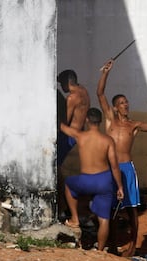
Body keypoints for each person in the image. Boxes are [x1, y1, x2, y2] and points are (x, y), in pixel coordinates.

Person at [97, 59, 147, 256]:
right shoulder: (110, 119)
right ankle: (114, 244)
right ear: (115, 108)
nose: (126, 105)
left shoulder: (133, 125)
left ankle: (133, 246)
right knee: (111, 208)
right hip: (109, 168)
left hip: (126, 169)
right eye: (122, 103)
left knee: (132, 209)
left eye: (127, 102)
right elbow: (100, 94)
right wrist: (106, 72)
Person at [60, 108, 124, 251]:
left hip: (86, 181)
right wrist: (120, 187)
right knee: (104, 219)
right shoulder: (108, 140)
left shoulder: (80, 136)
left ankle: (75, 218)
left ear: (87, 120)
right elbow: (114, 166)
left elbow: (63, 128)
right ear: (100, 121)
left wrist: (61, 117)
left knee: (69, 184)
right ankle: (100, 251)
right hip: (104, 181)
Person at [56, 70, 90, 221]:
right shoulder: (84, 90)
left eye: (61, 83)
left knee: (56, 170)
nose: (61, 86)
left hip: (69, 136)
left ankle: (63, 208)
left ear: (67, 82)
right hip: (80, 134)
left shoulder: (72, 98)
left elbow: (66, 121)